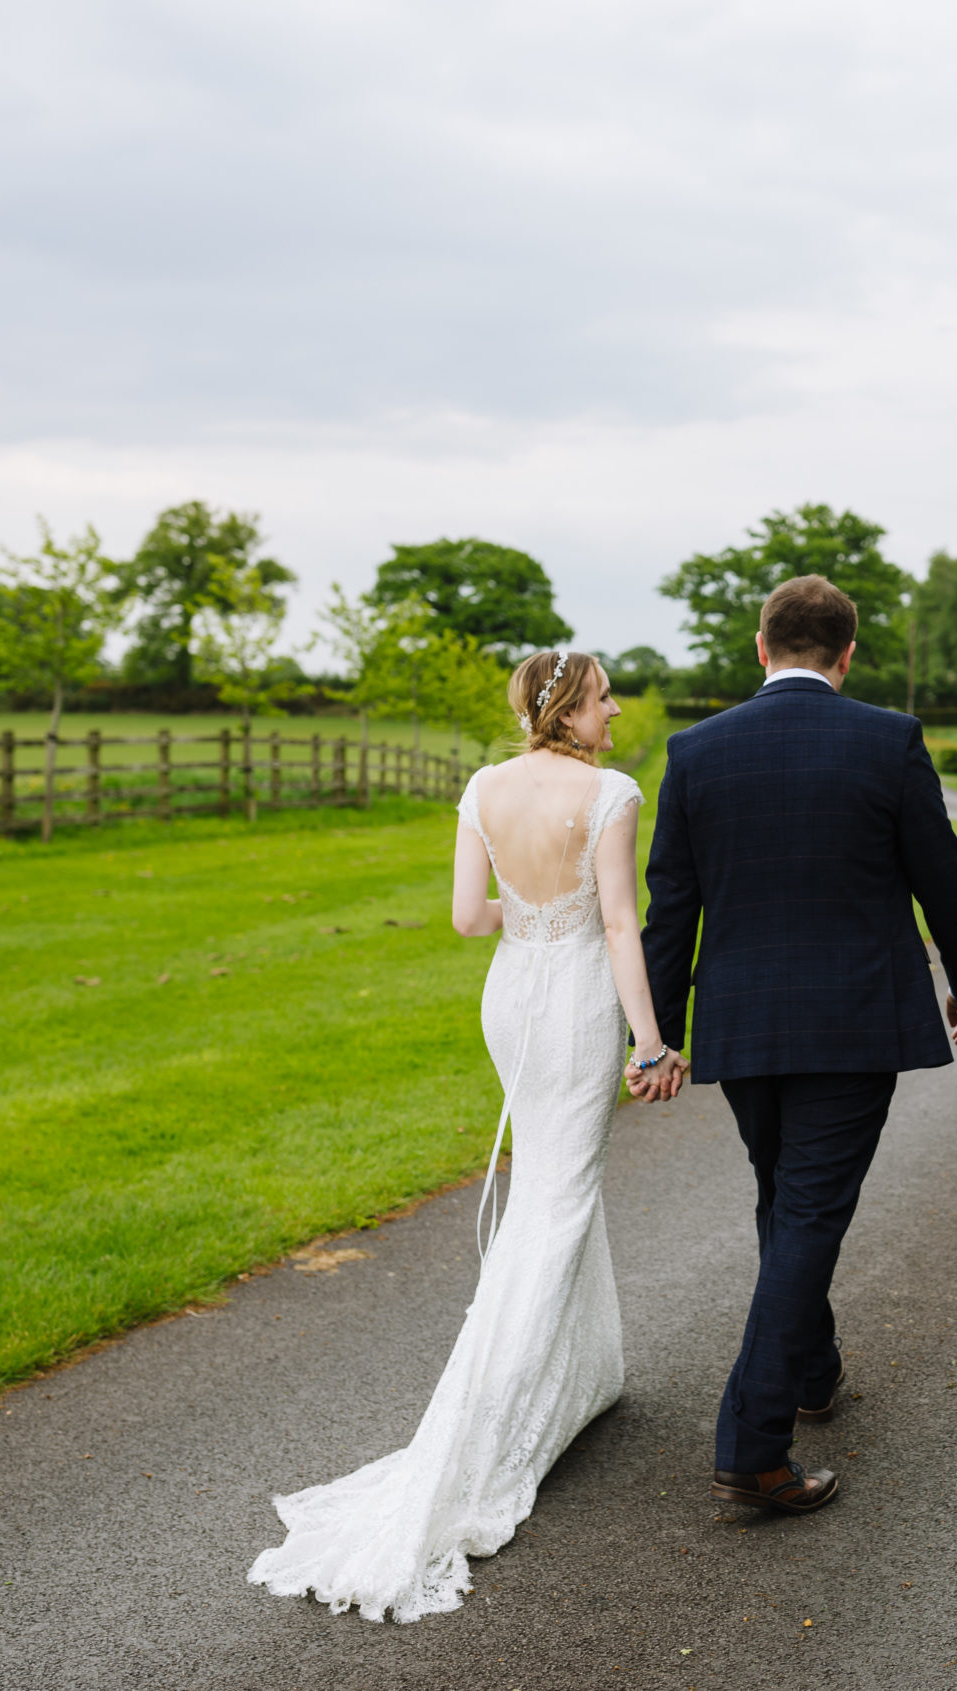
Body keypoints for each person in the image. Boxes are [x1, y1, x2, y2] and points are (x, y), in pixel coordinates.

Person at [247, 650, 683, 1622]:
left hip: (510, 995)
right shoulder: (612, 792)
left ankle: (580, 1377)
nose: (616, 711)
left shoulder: (482, 787)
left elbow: (462, 918)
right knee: (559, 1200)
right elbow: (620, 925)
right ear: (568, 709)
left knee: (551, 1191)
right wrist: (650, 1041)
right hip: (572, 1002)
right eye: (606, 697)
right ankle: (485, 1430)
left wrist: (529, 916)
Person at [642, 574, 957, 1517]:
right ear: (847, 654)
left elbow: (670, 909)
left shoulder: (696, 750)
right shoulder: (889, 739)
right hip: (854, 1020)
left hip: (741, 1023)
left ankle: (813, 1369)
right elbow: (945, 878)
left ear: (761, 648)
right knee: (805, 1214)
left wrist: (658, 1034)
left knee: (785, 1197)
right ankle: (753, 1447)